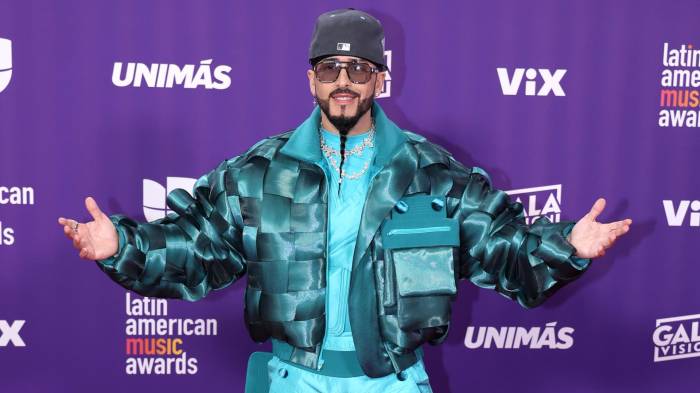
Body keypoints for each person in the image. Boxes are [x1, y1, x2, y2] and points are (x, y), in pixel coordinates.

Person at [57, 8, 632, 393]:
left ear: (381, 78)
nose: (344, 80)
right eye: (331, 67)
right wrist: (121, 246)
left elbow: (507, 253)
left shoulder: (432, 172)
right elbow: (196, 250)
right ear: (311, 78)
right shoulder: (260, 171)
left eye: (360, 68)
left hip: (395, 382)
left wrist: (567, 246)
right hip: (291, 379)